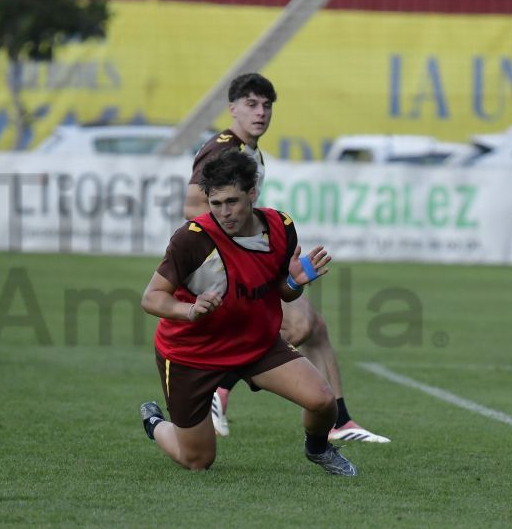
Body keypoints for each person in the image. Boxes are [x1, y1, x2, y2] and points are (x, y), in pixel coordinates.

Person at [183, 73, 388, 443]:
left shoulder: (249, 150)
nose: (260, 112)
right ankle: (219, 386)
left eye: (266, 105)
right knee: (296, 326)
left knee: (315, 327)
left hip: (247, 259)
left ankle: (340, 421)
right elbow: (193, 206)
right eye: (251, 104)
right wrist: (238, 256)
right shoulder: (224, 148)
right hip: (223, 266)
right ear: (232, 109)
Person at [139, 148, 356, 476]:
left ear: (252, 192)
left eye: (232, 202)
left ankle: (318, 449)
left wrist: (295, 283)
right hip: (192, 353)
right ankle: (155, 423)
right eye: (216, 204)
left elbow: (281, 289)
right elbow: (152, 298)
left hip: (257, 344)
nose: (224, 213)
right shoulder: (192, 240)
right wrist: (190, 311)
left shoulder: (280, 227)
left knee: (323, 401)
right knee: (198, 460)